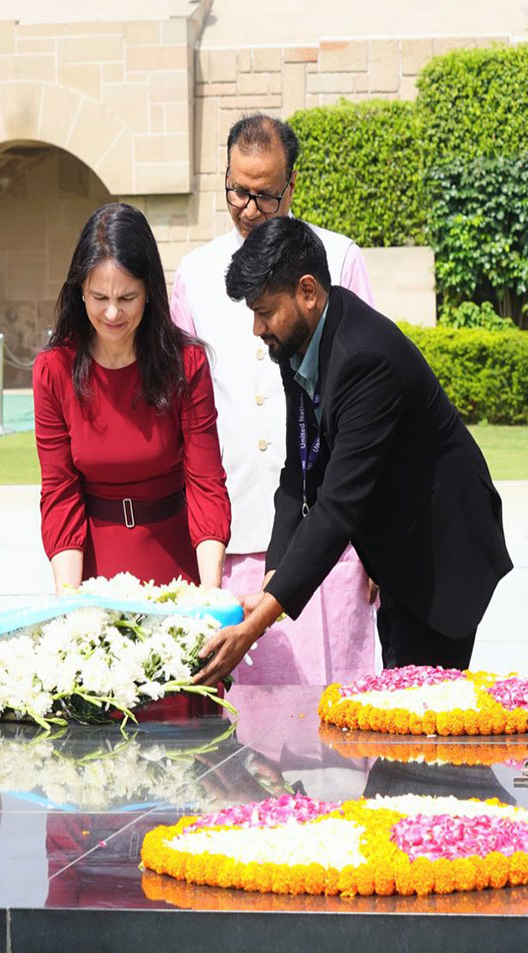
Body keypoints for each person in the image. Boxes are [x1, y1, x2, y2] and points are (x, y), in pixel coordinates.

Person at [196, 218, 512, 684]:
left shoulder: (365, 359)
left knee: (422, 706)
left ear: (307, 291)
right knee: (398, 693)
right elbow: (299, 472)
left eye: (265, 312)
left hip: (442, 553)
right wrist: (273, 575)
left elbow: (337, 506)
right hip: (397, 544)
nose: (257, 328)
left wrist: (256, 624)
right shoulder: (300, 340)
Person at [170, 113, 380, 685]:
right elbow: (185, 415)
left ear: (291, 186)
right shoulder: (195, 274)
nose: (248, 209)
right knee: (241, 713)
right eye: (237, 191)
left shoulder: (338, 259)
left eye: (264, 195)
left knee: (335, 706)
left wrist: (375, 544)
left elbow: (370, 411)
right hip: (232, 533)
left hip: (331, 538)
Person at [35, 202, 231, 589]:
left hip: (176, 562)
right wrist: (69, 598)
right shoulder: (54, 369)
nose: (112, 313)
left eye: (127, 298)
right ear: (80, 291)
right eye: (99, 297)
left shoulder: (186, 363)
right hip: (91, 570)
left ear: (149, 293)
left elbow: (206, 481)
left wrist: (210, 593)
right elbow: (59, 492)